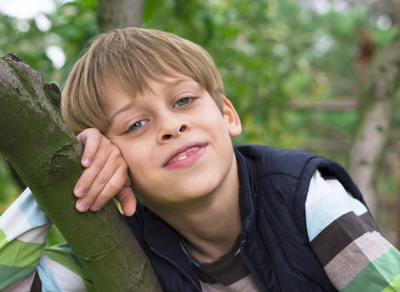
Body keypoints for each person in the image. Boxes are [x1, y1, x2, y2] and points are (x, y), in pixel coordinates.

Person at [1, 27, 400, 292]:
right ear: (113, 162)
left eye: (184, 100)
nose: (171, 127)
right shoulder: (115, 241)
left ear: (227, 114)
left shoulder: (305, 198)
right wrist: (73, 170)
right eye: (136, 124)